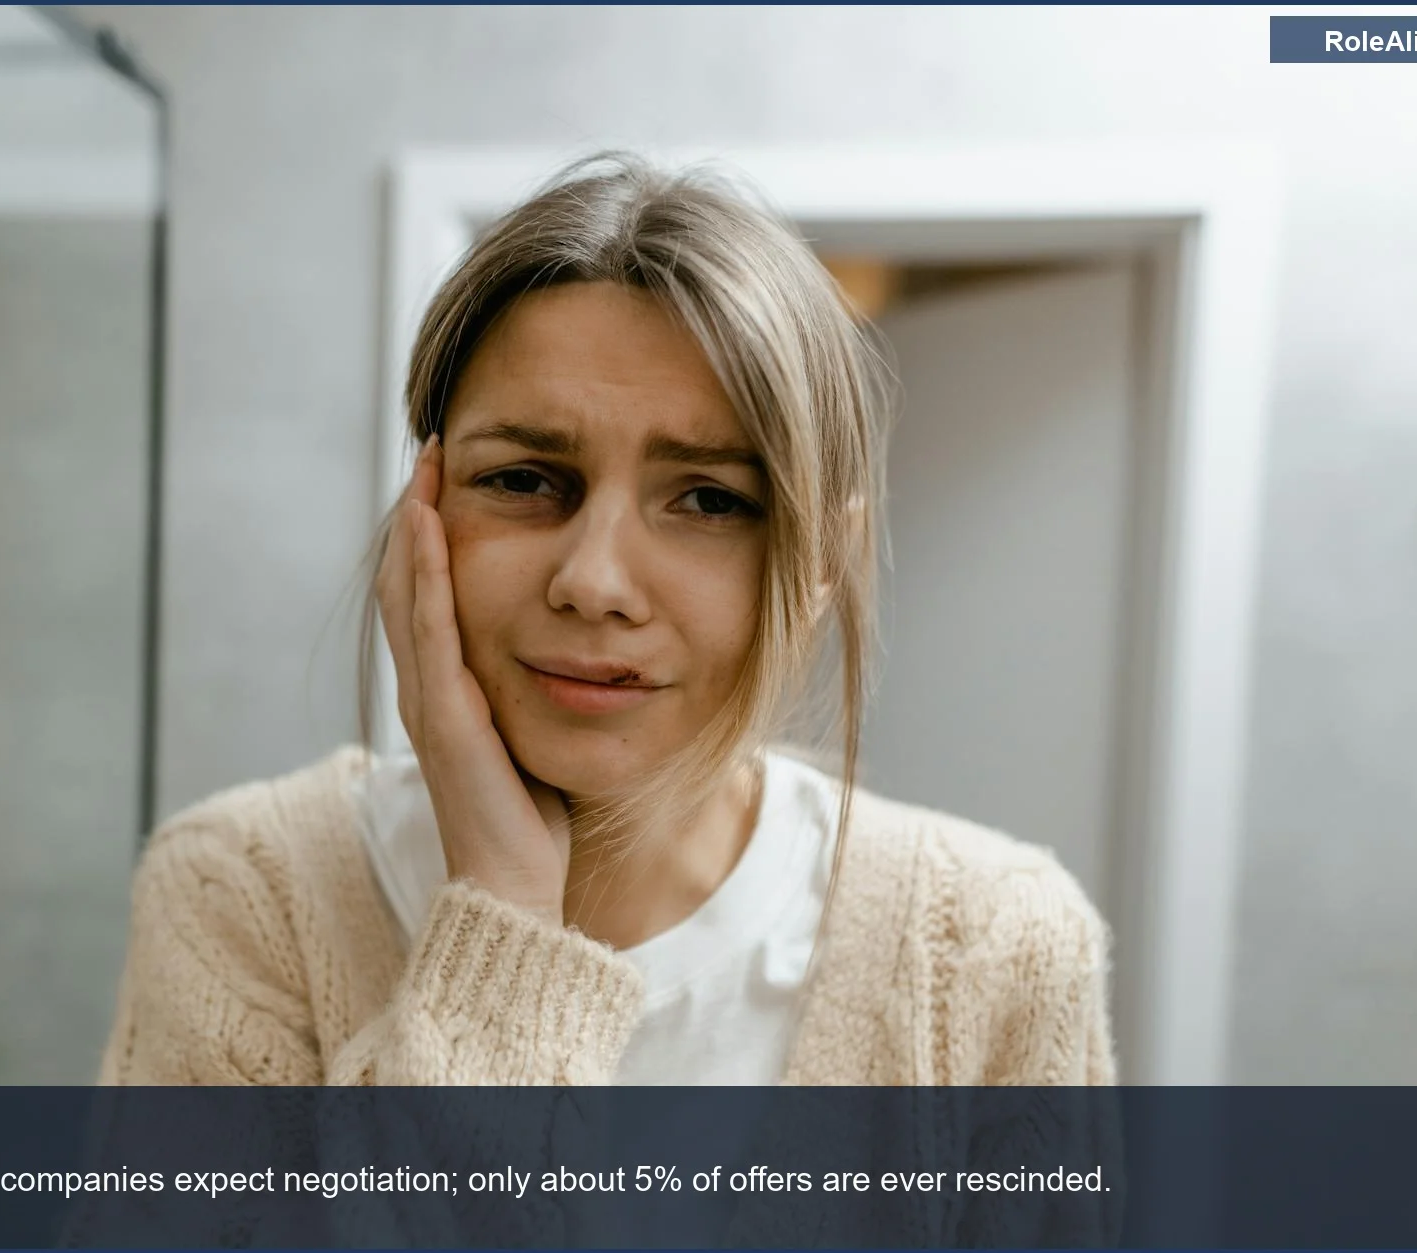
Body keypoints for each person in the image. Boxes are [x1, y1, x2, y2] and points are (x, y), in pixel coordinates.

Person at [96, 152, 1116, 1087]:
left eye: (709, 499)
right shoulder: (245, 892)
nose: (593, 581)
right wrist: (503, 909)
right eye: (524, 478)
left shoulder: (996, 947)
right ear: (425, 508)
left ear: (820, 565)